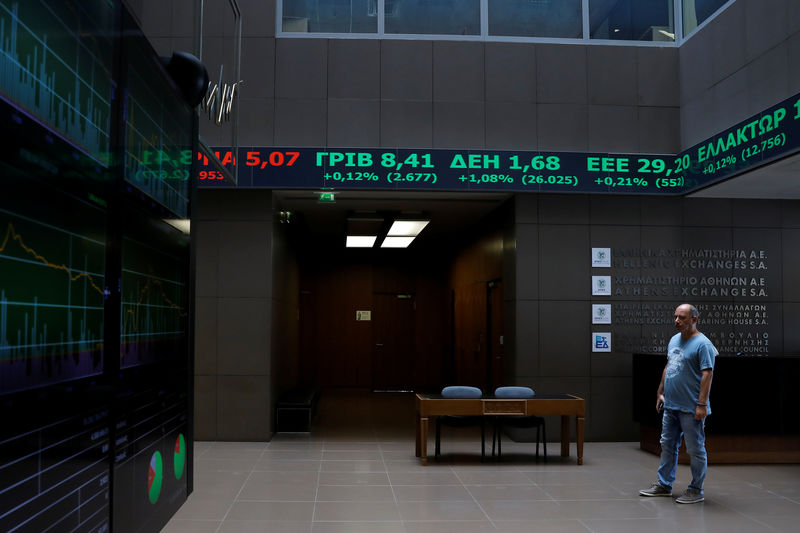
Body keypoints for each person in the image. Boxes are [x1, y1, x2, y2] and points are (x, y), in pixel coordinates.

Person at [639, 303, 717, 504]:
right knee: (667, 445)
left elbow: (707, 374)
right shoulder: (674, 339)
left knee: (695, 449)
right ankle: (664, 485)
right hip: (671, 405)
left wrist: (701, 404)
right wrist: (660, 391)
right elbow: (669, 365)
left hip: (691, 408)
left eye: (682, 318)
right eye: (675, 317)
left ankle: (696, 489)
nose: (677, 321)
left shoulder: (703, 344)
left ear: (694, 319)